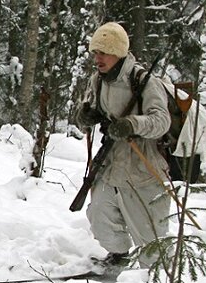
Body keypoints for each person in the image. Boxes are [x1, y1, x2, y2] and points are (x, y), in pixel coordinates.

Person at [72, 21, 172, 266]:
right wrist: (85, 116)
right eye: (96, 52)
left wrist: (132, 125)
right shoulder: (98, 80)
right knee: (100, 214)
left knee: (150, 233)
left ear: (118, 53)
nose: (98, 58)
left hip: (144, 165)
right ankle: (118, 258)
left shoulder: (144, 81)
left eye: (103, 52)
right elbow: (88, 110)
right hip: (110, 161)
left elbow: (162, 121)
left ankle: (158, 278)